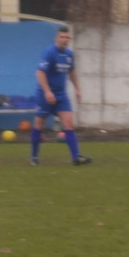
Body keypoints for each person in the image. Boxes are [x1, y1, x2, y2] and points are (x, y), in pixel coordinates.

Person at [30, 26, 91, 166]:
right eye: (62, 37)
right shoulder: (49, 53)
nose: (64, 40)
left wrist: (78, 89)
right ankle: (34, 157)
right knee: (39, 125)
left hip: (61, 95)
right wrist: (47, 91)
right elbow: (40, 73)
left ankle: (76, 157)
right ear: (56, 38)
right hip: (45, 94)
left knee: (68, 123)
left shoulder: (69, 55)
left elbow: (72, 72)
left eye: (67, 38)